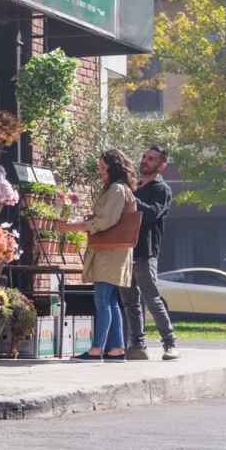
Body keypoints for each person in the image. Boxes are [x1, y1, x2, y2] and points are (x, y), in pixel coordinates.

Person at [66, 149, 139, 361]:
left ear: (112, 167)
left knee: (103, 299)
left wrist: (77, 226)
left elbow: (106, 221)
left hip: (110, 252)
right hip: (113, 250)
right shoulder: (119, 188)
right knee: (110, 299)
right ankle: (116, 347)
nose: (100, 171)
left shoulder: (117, 189)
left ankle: (97, 348)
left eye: (102, 167)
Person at [119, 145, 179, 361]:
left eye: (151, 158)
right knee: (130, 302)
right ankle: (137, 345)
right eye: (144, 156)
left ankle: (170, 343)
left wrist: (132, 200)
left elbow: (152, 214)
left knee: (152, 298)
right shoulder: (132, 186)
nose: (145, 160)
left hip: (145, 252)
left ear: (161, 165)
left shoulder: (161, 189)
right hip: (125, 250)